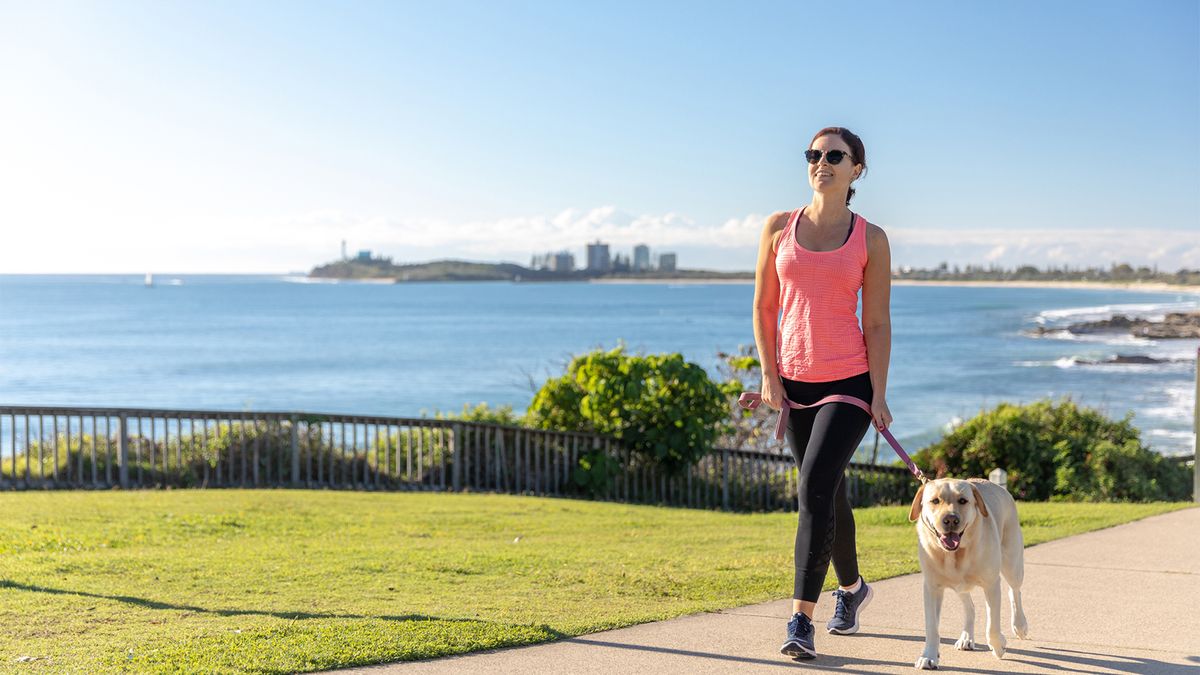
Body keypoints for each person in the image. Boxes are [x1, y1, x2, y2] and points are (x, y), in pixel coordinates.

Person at [751, 126, 893, 660]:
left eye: (835, 155)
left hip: (849, 383)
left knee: (812, 484)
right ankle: (854, 590)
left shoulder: (870, 238)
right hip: (792, 381)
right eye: (814, 154)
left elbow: (876, 323)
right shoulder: (777, 228)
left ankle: (799, 620)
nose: (822, 162)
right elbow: (765, 309)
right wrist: (770, 375)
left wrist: (878, 394)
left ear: (857, 169)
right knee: (828, 492)